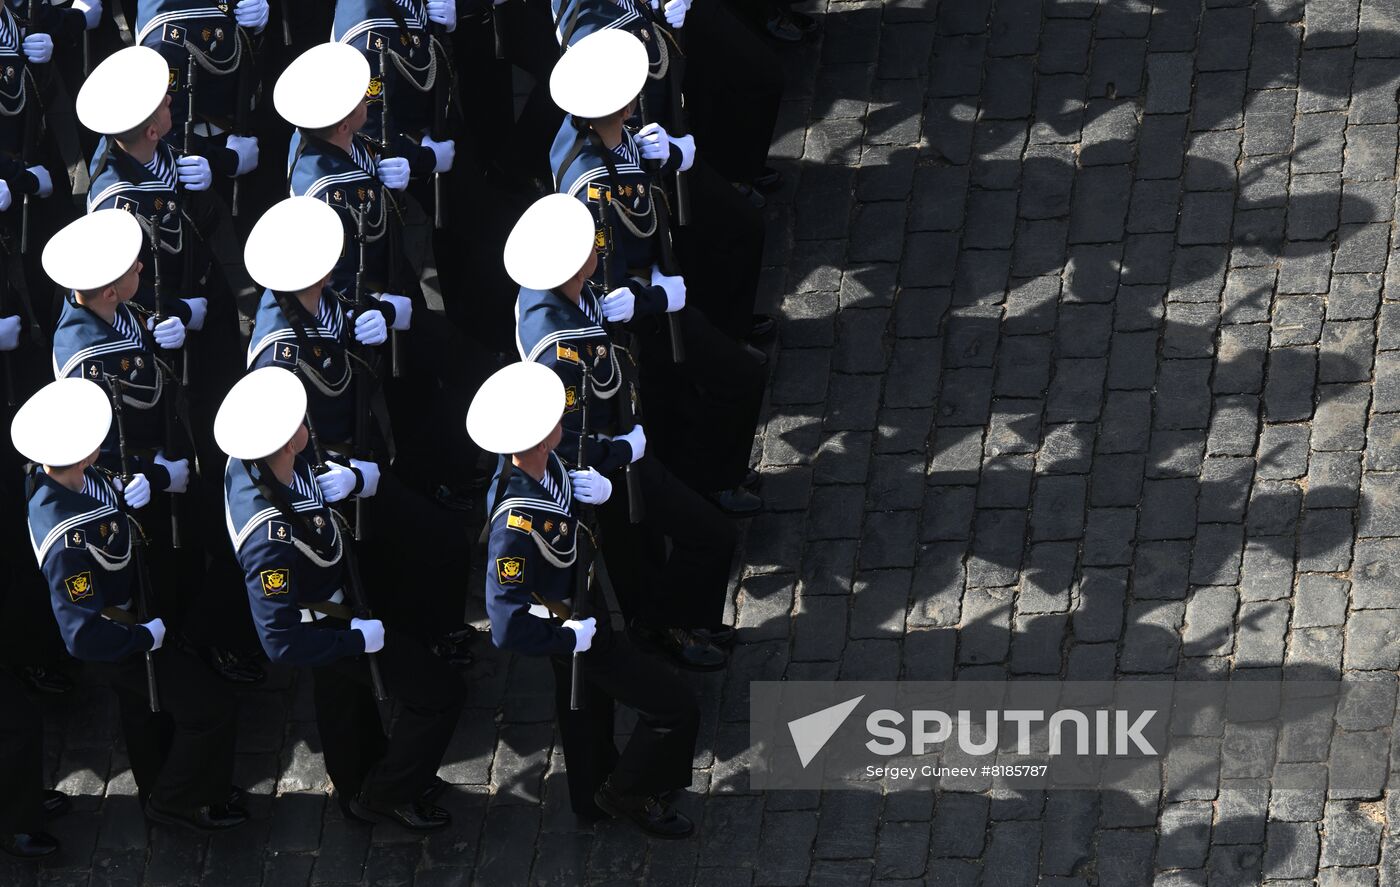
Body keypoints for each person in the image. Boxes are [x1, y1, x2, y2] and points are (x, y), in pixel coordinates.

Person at [75, 46, 267, 684]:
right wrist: (177, 313)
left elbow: (194, 224)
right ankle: (209, 630)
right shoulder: (117, 200)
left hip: (206, 320)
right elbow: (119, 287)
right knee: (213, 480)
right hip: (169, 357)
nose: (170, 104)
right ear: (149, 127)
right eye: (162, 103)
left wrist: (210, 172)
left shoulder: (159, 152)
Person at [216, 365, 466, 831]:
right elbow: (280, 640)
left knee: (344, 703)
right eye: (298, 422)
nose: (306, 423)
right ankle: (388, 794)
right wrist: (354, 641)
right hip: (328, 626)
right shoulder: (268, 539)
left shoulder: (264, 462)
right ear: (287, 442)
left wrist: (344, 479)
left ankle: (359, 785)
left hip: (339, 596)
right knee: (439, 694)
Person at [469, 360, 700, 836]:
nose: (563, 418)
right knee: (674, 707)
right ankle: (629, 792)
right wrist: (566, 638)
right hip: (571, 626)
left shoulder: (549, 459)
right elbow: (506, 624)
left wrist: (609, 476)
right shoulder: (513, 525)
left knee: (585, 712)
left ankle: (592, 797)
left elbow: (588, 453)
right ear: (538, 441)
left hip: (585, 607)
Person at [239, 195, 473, 660]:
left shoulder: (314, 300)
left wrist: (377, 316)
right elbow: (278, 441)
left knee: (403, 553)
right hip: (334, 479)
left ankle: (427, 632)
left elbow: (344, 323)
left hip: (363, 454)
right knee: (427, 544)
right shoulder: (280, 353)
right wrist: (343, 479)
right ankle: (423, 640)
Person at [506, 193, 734, 669]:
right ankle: (667, 625)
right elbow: (557, 433)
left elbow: (606, 313)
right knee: (708, 534)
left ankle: (662, 625)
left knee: (640, 549)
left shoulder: (559, 292)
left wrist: (648, 298)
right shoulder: (558, 347)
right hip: (606, 458)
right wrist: (615, 455)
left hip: (623, 433)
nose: (597, 245)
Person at [12, 375, 244, 832]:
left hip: (139, 614)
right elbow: (82, 636)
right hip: (121, 637)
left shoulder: (75, 477)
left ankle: (172, 784)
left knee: (145, 713)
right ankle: (175, 799)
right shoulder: (66, 540)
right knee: (211, 708)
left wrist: (152, 478)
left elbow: (118, 475)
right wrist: (141, 637)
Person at [549, 29, 765, 514]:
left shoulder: (598, 135)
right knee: (739, 379)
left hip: (657, 281)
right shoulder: (594, 184)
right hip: (643, 312)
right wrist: (654, 297)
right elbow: (603, 278)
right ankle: (719, 480)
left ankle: (701, 472)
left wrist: (668, 155)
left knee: (675, 395)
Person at [276, 40, 491, 496]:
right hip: (372, 311)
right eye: (360, 100)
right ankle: (436, 480)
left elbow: (376, 153)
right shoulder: (327, 191)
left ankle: (442, 473)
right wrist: (383, 311)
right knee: (440, 380)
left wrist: (420, 160)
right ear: (341, 122)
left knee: (420, 390)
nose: (368, 100)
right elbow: (326, 275)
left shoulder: (331, 140)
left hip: (394, 280)